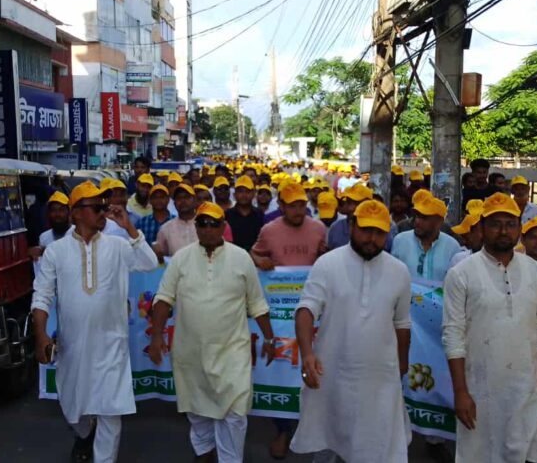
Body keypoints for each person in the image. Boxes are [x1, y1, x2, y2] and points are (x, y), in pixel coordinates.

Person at [31, 181, 159, 463]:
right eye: (96, 207)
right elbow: (41, 296)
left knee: (111, 411)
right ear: (75, 213)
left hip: (112, 344)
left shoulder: (118, 245)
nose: (103, 212)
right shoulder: (56, 251)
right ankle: (85, 431)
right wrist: (41, 336)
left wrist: (129, 227)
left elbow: (150, 263)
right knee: (72, 408)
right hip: (73, 347)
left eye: (104, 206)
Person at [148, 202, 276, 463]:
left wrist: (270, 338)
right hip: (191, 352)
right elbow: (163, 298)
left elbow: (257, 304)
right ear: (196, 227)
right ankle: (204, 452)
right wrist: (157, 335)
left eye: (213, 224)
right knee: (197, 411)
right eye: (202, 223)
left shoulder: (241, 258)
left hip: (232, 352)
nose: (207, 229)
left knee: (235, 414)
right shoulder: (181, 258)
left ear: (223, 227)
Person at [442, 192, 537, 463]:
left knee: (533, 452)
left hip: (526, 391)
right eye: (495, 224)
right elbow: (453, 336)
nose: (503, 231)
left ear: (519, 228)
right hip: (479, 391)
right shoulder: (461, 274)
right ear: (482, 227)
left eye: (510, 224)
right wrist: (460, 392)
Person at [290, 200, 411, 462]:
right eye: (366, 230)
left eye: (379, 233)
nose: (372, 239)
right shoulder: (327, 264)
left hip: (380, 378)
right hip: (332, 372)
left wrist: (401, 366)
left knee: (377, 446)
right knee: (327, 440)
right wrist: (307, 354)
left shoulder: (399, 271)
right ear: (352, 225)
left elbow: (402, 324)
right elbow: (306, 310)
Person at [250, 181, 326, 459]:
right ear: (281, 205)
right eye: (292, 205)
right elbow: (252, 253)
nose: (298, 210)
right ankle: (283, 430)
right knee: (284, 369)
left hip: (313, 310)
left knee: (313, 366)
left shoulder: (318, 228)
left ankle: (309, 428)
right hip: (281, 312)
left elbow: (325, 258)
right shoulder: (269, 230)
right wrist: (259, 261)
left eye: (301, 205)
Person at [391, 194, 461, 282]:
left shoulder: (452, 247)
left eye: (424, 218)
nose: (417, 221)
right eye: (417, 216)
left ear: (439, 221)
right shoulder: (400, 241)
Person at [153, 183, 198, 260]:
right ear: (174, 203)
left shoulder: (206, 225)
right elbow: (161, 259)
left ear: (194, 200)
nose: (183, 201)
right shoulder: (166, 229)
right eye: (179, 198)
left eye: (186, 197)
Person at [225, 176, 264, 252]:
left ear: (253, 194)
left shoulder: (260, 214)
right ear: (234, 194)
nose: (244, 195)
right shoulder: (227, 215)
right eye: (240, 191)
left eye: (248, 191)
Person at [28, 191, 72, 260]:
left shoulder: (78, 233)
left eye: (61, 210)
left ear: (69, 212)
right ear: (48, 213)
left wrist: (44, 251)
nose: (57, 214)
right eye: (53, 210)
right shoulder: (44, 237)